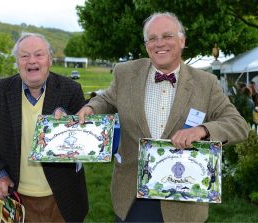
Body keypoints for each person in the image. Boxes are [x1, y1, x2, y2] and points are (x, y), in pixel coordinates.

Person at [77, 12, 249, 222]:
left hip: (183, 201)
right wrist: (91, 108)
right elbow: (106, 100)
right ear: (146, 44)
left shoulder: (206, 83)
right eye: (152, 38)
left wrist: (203, 130)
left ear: (182, 40)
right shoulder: (126, 73)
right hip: (131, 195)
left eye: (167, 36)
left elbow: (239, 125)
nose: (159, 43)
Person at [0, 32, 88, 222]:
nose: (32, 61)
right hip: (15, 199)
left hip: (62, 200)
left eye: (39, 54)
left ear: (49, 59)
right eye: (24, 56)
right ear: (17, 62)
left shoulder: (70, 90)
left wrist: (69, 127)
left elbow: (84, 139)